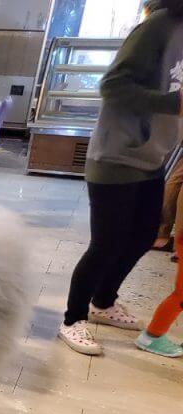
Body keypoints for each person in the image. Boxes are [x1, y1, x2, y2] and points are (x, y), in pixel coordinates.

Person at [58, 0, 183, 356]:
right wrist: (173, 104)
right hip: (117, 153)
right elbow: (113, 85)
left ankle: (103, 301)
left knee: (144, 236)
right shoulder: (159, 26)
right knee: (107, 244)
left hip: (153, 155)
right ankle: (72, 318)